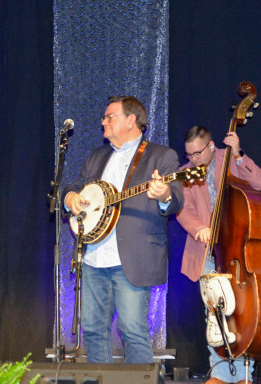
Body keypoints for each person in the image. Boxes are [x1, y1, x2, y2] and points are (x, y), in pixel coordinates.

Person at [64, 95, 183, 364]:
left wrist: (164, 194)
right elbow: (75, 187)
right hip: (93, 257)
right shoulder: (97, 156)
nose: (103, 122)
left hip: (132, 257)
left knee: (132, 330)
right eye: (104, 117)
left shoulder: (161, 156)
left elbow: (176, 199)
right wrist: (69, 198)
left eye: (110, 117)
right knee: (93, 329)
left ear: (131, 120)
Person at [176, 126, 261, 384]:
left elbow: (260, 183)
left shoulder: (230, 159)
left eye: (197, 153)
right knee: (214, 315)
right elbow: (183, 209)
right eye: (189, 155)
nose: (193, 159)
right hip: (207, 251)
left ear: (211, 146)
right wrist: (199, 228)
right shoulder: (185, 173)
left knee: (241, 313)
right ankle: (219, 373)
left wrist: (238, 154)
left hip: (237, 248)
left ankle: (244, 375)